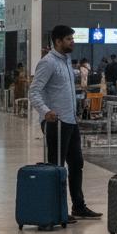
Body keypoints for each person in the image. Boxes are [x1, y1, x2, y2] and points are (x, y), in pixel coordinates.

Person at [28, 25, 102, 222]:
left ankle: (78, 206)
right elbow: (34, 91)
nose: (72, 42)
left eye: (72, 38)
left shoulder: (66, 61)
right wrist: (46, 111)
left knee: (77, 163)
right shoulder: (48, 62)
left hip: (70, 120)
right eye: (69, 39)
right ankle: (57, 209)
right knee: (57, 167)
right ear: (58, 41)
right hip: (56, 123)